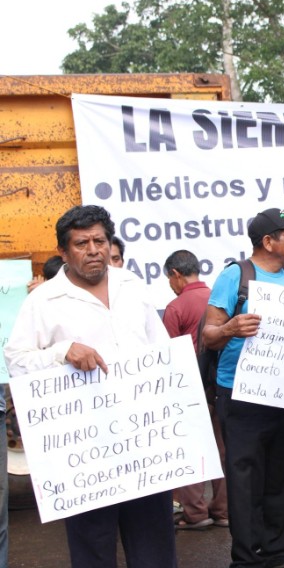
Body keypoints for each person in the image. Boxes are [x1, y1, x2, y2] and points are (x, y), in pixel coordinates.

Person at [4, 205, 177, 568]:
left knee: (155, 547)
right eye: (81, 243)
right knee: (92, 549)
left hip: (145, 443)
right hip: (85, 455)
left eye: (99, 240)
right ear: (64, 253)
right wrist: (61, 351)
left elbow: (161, 352)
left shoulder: (133, 288)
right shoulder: (43, 301)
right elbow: (16, 360)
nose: (94, 249)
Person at [203, 208, 284, 568]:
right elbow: (209, 335)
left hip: (281, 395)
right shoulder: (236, 276)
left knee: (283, 480)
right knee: (246, 481)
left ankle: (278, 554)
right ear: (268, 241)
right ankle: (247, 560)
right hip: (240, 396)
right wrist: (231, 328)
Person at [163, 250, 228, 531]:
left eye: (169, 279)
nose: (170, 284)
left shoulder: (176, 307)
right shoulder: (219, 300)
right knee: (222, 448)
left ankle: (196, 513)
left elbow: (166, 355)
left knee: (190, 449)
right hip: (219, 385)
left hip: (188, 388)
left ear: (176, 274)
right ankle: (225, 511)